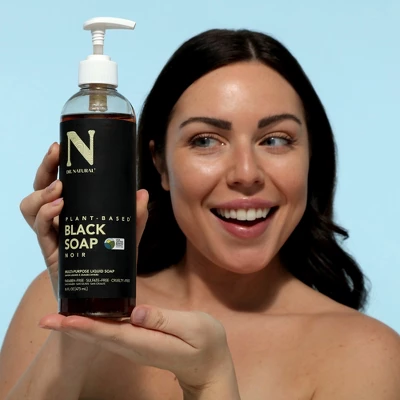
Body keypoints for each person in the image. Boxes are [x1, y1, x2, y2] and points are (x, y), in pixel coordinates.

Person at [1, 28, 399, 400]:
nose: (246, 174)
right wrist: (83, 321)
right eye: (206, 140)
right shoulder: (50, 301)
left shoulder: (368, 352)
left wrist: (211, 383)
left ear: (312, 158)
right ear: (160, 164)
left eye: (275, 140)